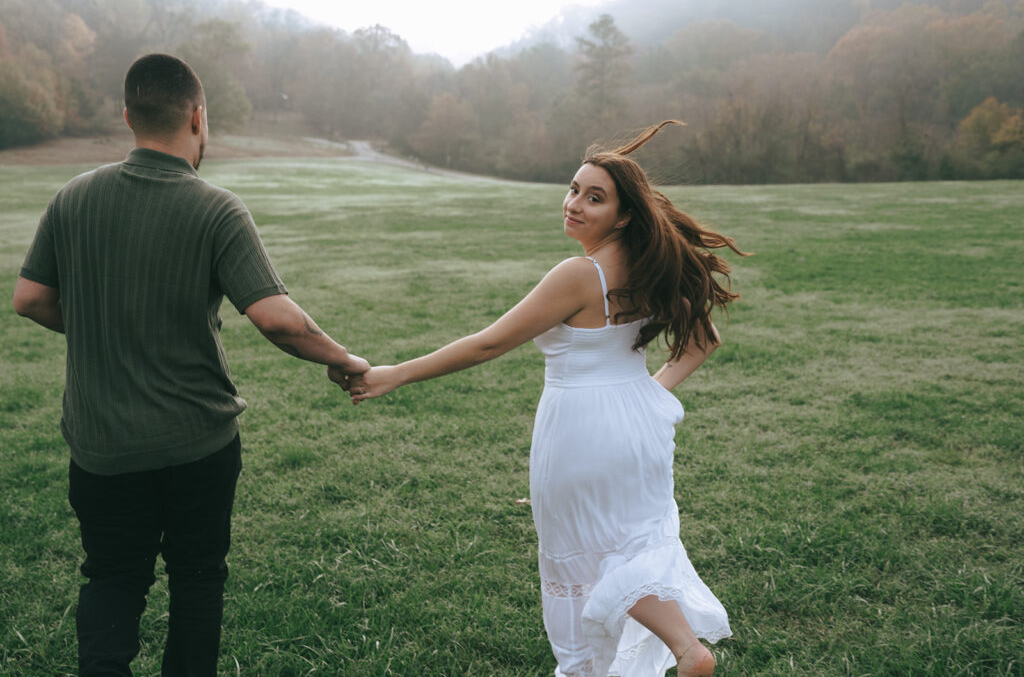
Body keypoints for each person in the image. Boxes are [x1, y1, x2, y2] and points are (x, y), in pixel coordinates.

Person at [334, 120, 742, 676]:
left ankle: (666, 656)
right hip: (637, 422)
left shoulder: (581, 274)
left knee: (588, 556)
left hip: (581, 427)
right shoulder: (649, 266)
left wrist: (393, 375)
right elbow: (703, 341)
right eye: (574, 189)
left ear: (623, 215)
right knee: (627, 547)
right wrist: (649, 395)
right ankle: (686, 650)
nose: (574, 204)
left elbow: (490, 343)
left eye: (593, 198)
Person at [12, 53, 368, 676]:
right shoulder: (216, 208)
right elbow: (278, 318)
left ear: (128, 116)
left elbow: (30, 300)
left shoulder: (73, 198)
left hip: (101, 448)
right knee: (197, 581)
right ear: (199, 118)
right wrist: (343, 359)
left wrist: (102, 321)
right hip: (196, 444)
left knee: (112, 579)